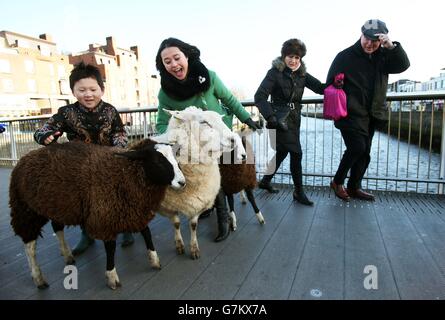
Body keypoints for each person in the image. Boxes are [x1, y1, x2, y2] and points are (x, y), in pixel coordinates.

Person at [155, 37, 261, 242]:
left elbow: (229, 99)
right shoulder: (165, 92)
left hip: (221, 132)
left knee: (227, 171)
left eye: (177, 58)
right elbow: (161, 123)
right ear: (163, 66)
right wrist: (177, 133)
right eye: (167, 61)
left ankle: (220, 212)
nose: (174, 64)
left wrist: (246, 118)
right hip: (197, 141)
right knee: (203, 171)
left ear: (186, 56)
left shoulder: (209, 77)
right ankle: (218, 211)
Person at [34, 62, 135, 255]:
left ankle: (126, 228)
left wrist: (118, 146)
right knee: (84, 201)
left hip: (110, 162)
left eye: (92, 89)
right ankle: (87, 234)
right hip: (81, 166)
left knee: (119, 195)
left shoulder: (110, 111)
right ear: (73, 91)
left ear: (101, 90)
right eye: (81, 90)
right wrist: (44, 136)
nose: (88, 94)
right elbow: (44, 129)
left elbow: (120, 133)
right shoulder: (66, 113)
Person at [327, 19, 410, 201]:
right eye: (367, 39)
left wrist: (391, 46)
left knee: (365, 153)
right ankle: (337, 181)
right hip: (349, 113)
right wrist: (338, 83)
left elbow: (403, 65)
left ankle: (354, 187)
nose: (370, 44)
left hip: (372, 114)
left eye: (375, 41)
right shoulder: (345, 56)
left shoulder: (384, 56)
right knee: (357, 147)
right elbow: (329, 83)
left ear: (381, 41)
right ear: (361, 34)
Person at [255, 38, 325, 206]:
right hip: (279, 120)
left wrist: (338, 83)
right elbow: (260, 97)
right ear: (284, 56)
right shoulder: (275, 73)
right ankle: (298, 192)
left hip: (294, 120)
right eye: (290, 56)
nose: (293, 61)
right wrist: (271, 117)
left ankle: (265, 181)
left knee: (282, 152)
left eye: (297, 58)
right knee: (296, 153)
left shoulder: (302, 75)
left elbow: (321, 88)